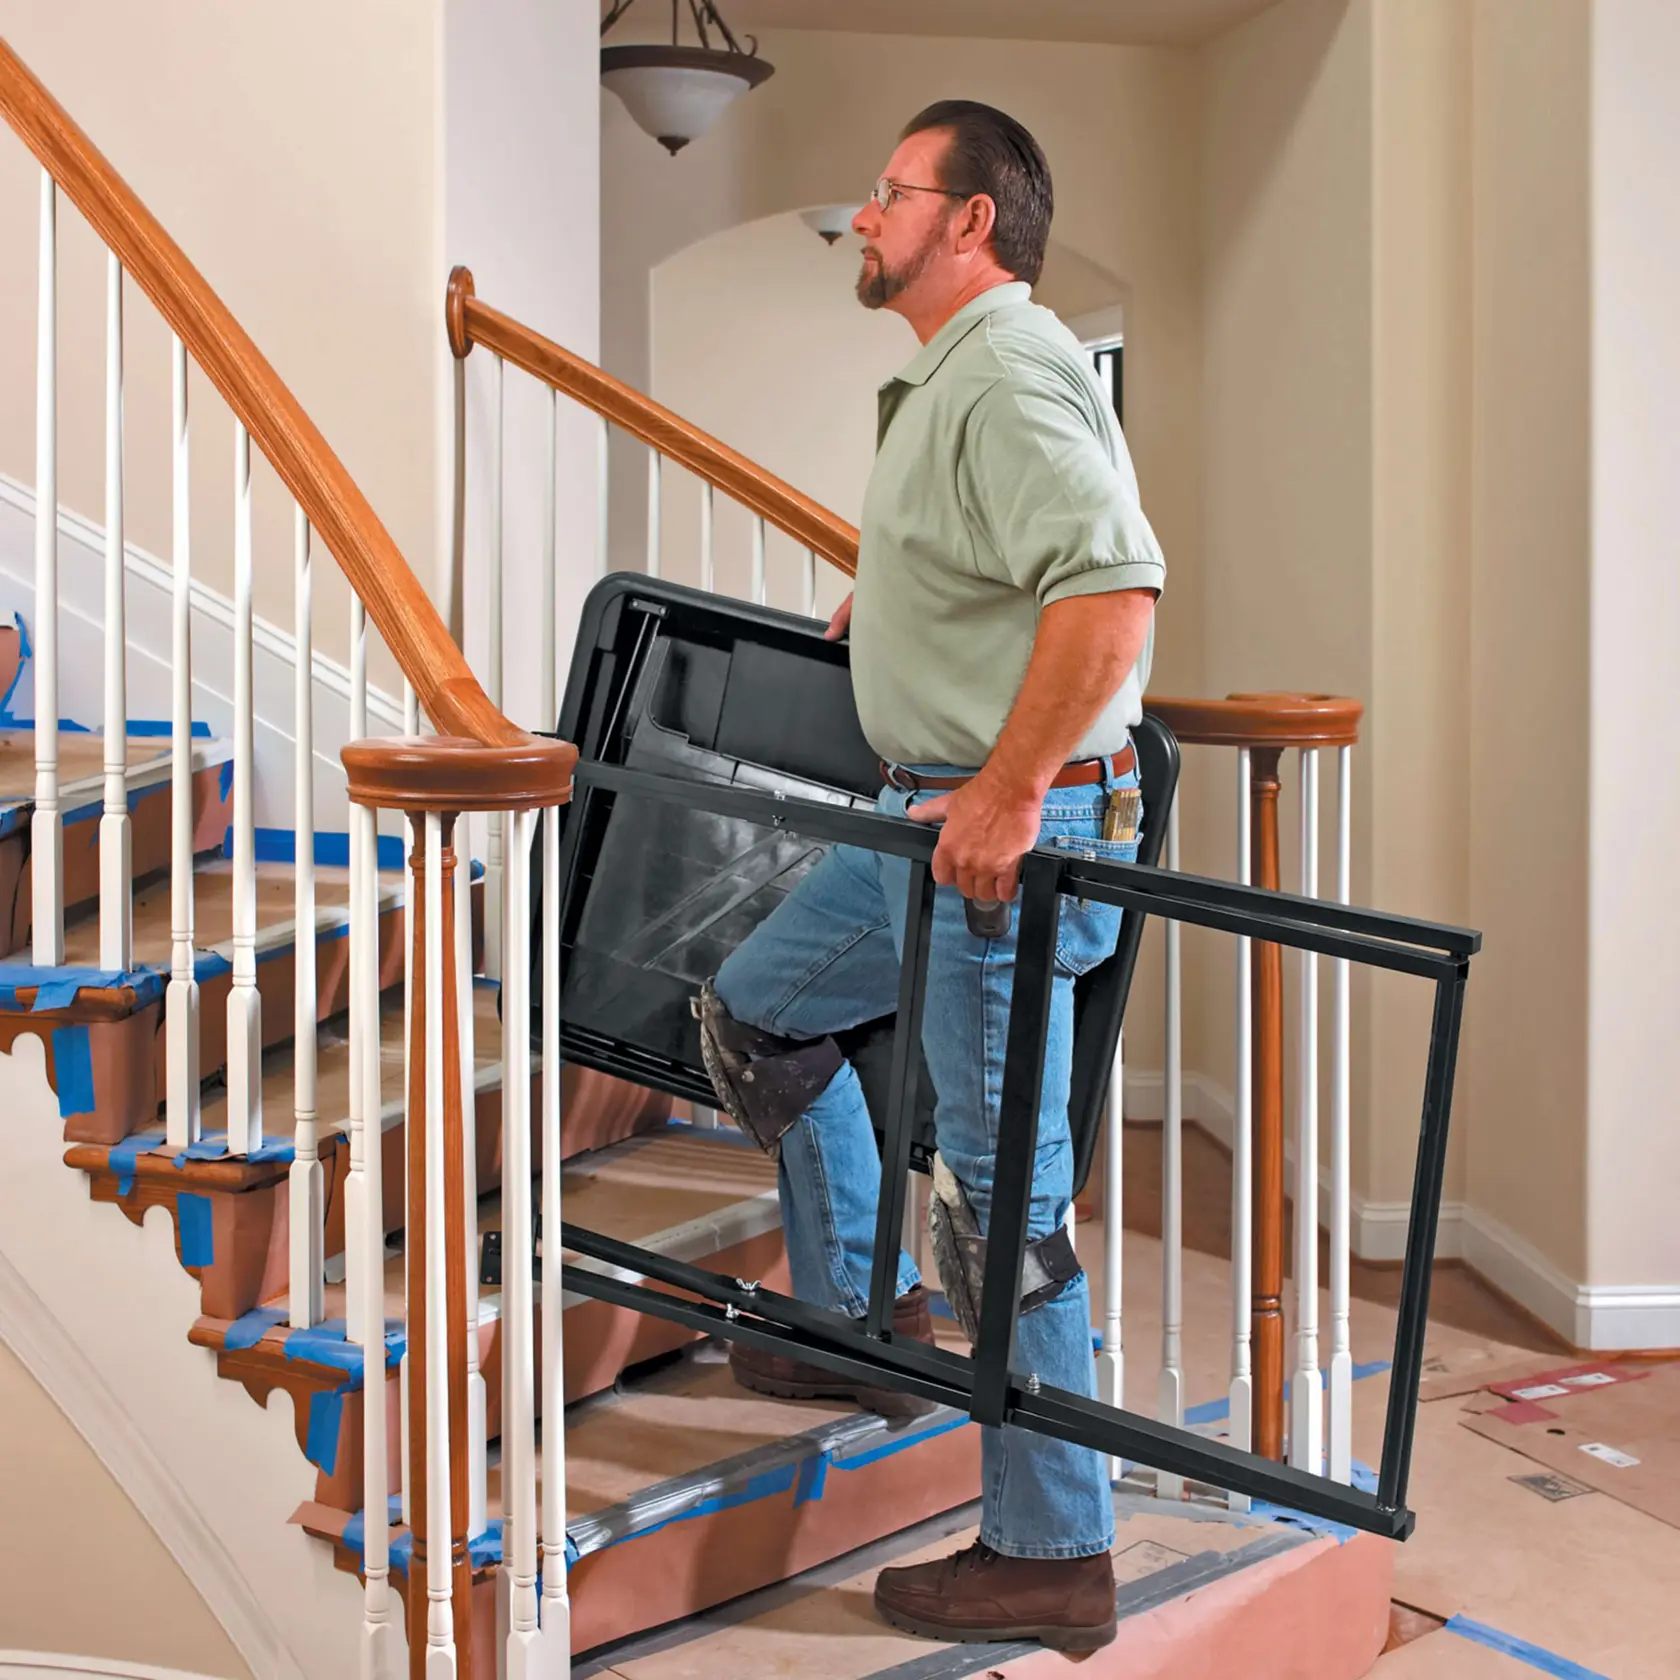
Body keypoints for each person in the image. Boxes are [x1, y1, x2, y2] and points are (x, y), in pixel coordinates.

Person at [694, 100, 1164, 1653]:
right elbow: (1010, 568)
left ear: (968, 221)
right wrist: (887, 607)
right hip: (925, 820)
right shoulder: (955, 379)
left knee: (997, 1202)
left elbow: (1111, 593)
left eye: (888, 192)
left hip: (1000, 844)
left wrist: (1012, 790)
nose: (865, 216)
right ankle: (851, 1319)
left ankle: (1053, 1545)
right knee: (756, 1011)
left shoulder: (1014, 367)